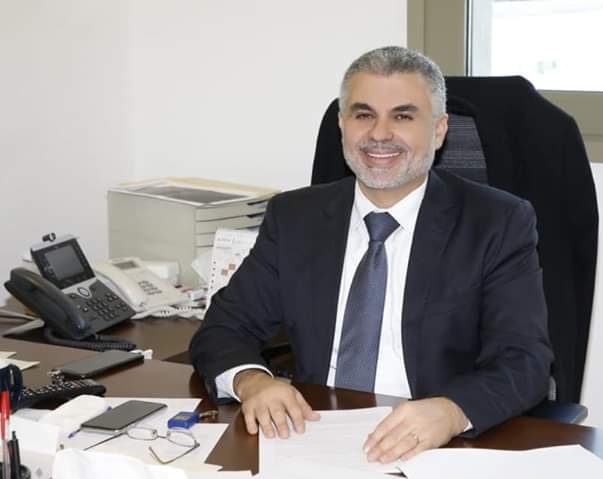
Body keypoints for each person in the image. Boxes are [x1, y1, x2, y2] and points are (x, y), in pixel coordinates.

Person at [190, 46, 553, 463]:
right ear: (342, 126)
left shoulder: (495, 222)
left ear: (439, 130)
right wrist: (253, 381)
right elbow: (223, 327)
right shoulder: (296, 217)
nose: (379, 134)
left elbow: (524, 360)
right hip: (310, 435)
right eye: (363, 115)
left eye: (403, 116)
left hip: (433, 448)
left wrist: (453, 411)